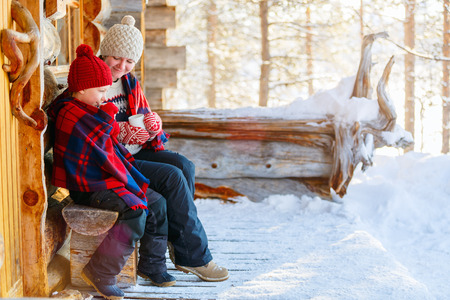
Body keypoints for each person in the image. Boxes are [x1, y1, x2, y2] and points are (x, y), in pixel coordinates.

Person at [99, 15, 229, 282]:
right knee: (172, 177)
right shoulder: (94, 80)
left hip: (136, 150)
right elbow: (89, 128)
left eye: (129, 61)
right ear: (104, 52)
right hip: (114, 159)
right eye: (116, 58)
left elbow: (145, 117)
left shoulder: (129, 82)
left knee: (184, 165)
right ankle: (194, 256)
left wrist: (153, 125)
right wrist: (119, 131)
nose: (122, 66)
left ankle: (179, 241)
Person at [49, 44, 176, 300]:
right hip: (88, 185)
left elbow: (107, 141)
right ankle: (100, 273)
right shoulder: (70, 112)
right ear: (82, 88)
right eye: (101, 91)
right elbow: (100, 141)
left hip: (102, 178)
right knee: (135, 212)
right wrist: (110, 118)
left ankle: (153, 264)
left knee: (158, 203)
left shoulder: (88, 107)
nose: (104, 97)